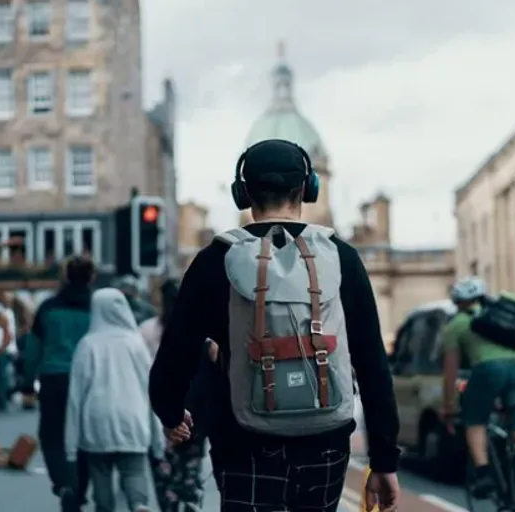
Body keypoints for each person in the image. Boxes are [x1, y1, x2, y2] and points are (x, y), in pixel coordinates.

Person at [149, 139, 401, 512]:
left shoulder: (215, 259)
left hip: (242, 439)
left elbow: (176, 354)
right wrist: (384, 460)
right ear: (307, 188)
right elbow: (372, 363)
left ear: (243, 193)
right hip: (325, 442)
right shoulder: (341, 257)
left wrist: (171, 413)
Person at [439, 277, 515, 510]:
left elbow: (450, 372)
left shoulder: (456, 325)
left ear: (459, 302)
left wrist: (448, 406)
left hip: (488, 370)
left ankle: (484, 473)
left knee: (475, 420)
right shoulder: (505, 316)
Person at [63, 288, 160, 512]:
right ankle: (139, 504)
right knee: (134, 471)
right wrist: (158, 441)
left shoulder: (87, 345)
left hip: (97, 422)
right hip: (133, 419)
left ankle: (105, 507)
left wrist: (70, 445)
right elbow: (150, 389)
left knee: (101, 475)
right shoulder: (136, 344)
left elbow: (76, 396)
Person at [24, 256, 96, 504]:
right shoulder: (97, 308)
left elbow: (33, 347)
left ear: (65, 276)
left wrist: (27, 379)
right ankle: (80, 488)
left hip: (53, 378)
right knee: (84, 436)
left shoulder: (48, 308)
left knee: (52, 435)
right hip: (88, 382)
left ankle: (64, 483)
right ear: (92, 277)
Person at [142, 279, 216, 511]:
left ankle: (172, 505)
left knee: (165, 477)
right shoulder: (203, 332)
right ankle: (191, 500)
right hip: (195, 417)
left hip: (161, 415)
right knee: (190, 472)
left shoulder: (148, 331)